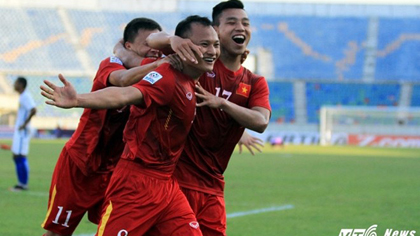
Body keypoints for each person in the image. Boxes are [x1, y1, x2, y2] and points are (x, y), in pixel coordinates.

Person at [41, 15, 220, 236]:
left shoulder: (166, 68)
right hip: (85, 162)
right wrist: (78, 99)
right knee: (58, 231)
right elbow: (124, 85)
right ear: (129, 46)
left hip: (143, 174)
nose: (155, 50)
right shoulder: (132, 67)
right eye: (148, 44)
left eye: (159, 45)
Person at [145, 1, 271, 234]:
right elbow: (150, 40)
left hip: (212, 187)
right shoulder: (194, 62)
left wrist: (222, 103)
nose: (240, 27)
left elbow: (261, 121)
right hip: (174, 182)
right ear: (215, 30)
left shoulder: (254, 82)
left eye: (245, 23)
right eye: (231, 22)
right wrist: (174, 40)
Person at [10, 76, 37, 191]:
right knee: (16, 156)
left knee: (20, 156)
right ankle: (21, 183)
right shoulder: (22, 96)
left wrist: (24, 124)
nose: (14, 85)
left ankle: (23, 184)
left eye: (16, 83)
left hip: (22, 131)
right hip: (20, 131)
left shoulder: (25, 96)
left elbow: (34, 109)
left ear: (21, 85)